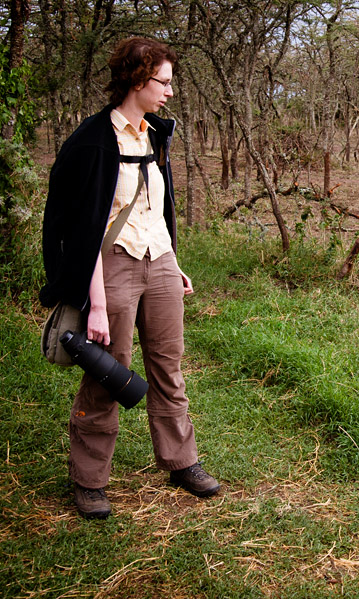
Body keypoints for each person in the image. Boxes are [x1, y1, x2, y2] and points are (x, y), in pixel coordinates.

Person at [40, 37, 219, 519]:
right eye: (163, 82)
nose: (170, 92)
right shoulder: (94, 141)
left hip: (157, 257)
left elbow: (155, 207)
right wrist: (94, 303)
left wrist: (172, 261)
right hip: (109, 264)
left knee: (168, 364)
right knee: (108, 371)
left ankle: (182, 461)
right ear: (137, 80)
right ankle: (90, 480)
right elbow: (83, 229)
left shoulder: (154, 134)